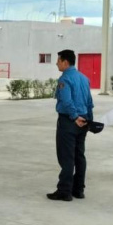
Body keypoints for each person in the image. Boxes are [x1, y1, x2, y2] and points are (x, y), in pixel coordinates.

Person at [47, 50, 93, 202]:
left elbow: (66, 102)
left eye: (58, 60)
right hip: (84, 121)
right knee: (79, 155)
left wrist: (74, 117)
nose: (56, 63)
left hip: (69, 121)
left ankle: (64, 191)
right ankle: (78, 189)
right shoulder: (84, 78)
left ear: (65, 62)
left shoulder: (65, 79)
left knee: (67, 156)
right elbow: (89, 102)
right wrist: (89, 121)